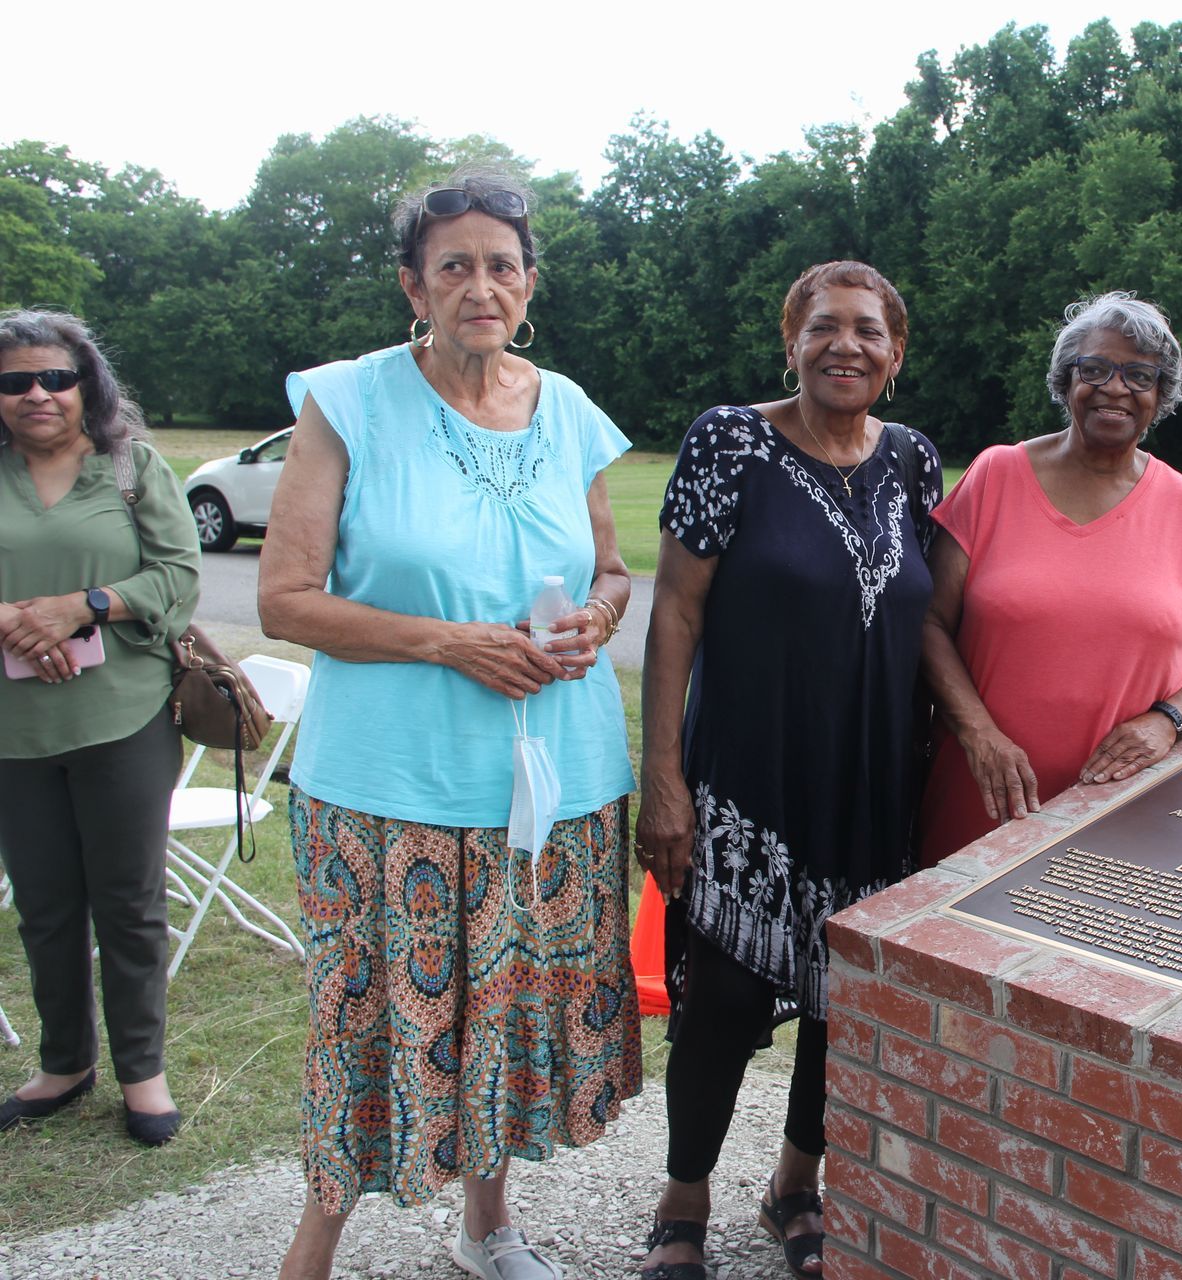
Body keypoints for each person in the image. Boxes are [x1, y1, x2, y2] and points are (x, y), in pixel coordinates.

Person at [259, 168, 642, 1280]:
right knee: (367, 1014)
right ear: (412, 286)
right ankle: (314, 1245)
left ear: (530, 283)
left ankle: (489, 1227)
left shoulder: (567, 407)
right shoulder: (349, 401)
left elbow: (612, 570)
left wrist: (592, 622)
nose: (482, 284)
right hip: (390, 784)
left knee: (507, 1009)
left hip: (552, 778)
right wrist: (451, 640)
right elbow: (286, 599)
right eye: (455, 265)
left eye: (503, 265)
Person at [636, 260, 939, 1280]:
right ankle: (683, 1201)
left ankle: (795, 1188)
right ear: (791, 341)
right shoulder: (731, 440)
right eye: (824, 327)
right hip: (746, 783)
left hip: (874, 785)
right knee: (721, 998)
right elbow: (674, 609)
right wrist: (664, 778)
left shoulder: (913, 461)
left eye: (868, 330)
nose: (845, 345)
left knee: (837, 1001)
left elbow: (927, 616)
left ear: (895, 356)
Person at [916, 292, 1182, 865]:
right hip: (986, 798)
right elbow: (928, 622)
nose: (1115, 388)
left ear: (1161, 395)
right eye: (1094, 368)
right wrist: (978, 734)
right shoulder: (996, 475)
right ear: (1066, 380)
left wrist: (1167, 722)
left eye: (1140, 375)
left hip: (1125, 814)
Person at [0, 310, 199, 1147]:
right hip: (13, 730)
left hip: (121, 718)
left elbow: (180, 578)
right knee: (44, 905)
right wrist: (16, 622)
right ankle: (64, 1063)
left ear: (88, 384)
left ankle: (141, 1073)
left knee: (127, 905)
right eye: (15, 382)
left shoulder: (129, 467)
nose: (37, 395)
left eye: (56, 378)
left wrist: (79, 608)